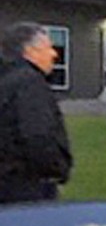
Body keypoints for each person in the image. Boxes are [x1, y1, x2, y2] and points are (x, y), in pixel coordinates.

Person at [0, 21, 73, 203]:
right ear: (30, 51)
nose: (54, 54)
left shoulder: (6, 80)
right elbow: (37, 135)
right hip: (26, 187)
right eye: (48, 47)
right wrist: (56, 170)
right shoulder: (29, 84)